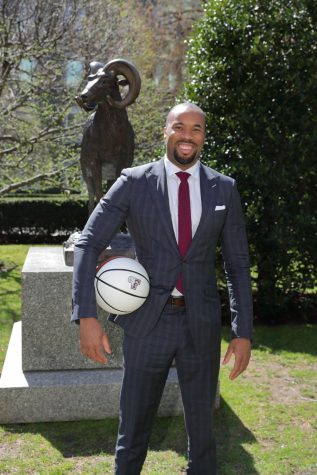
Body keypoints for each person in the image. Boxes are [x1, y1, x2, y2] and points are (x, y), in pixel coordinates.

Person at [71, 102, 253, 475]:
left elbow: (237, 265)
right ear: (165, 132)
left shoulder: (224, 189)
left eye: (197, 129)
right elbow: (88, 243)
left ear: (203, 137)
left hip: (200, 324)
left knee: (203, 436)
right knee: (134, 431)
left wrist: (242, 331)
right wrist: (86, 316)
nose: (188, 135)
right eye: (180, 126)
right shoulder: (134, 182)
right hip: (147, 324)